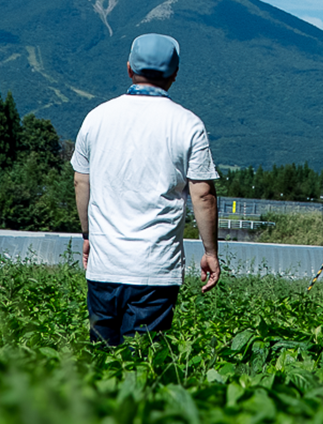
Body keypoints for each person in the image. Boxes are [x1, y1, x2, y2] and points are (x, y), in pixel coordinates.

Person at [70, 32, 221, 346]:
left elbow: (81, 181)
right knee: (142, 367)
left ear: (128, 68)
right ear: (174, 75)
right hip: (155, 268)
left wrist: (88, 236)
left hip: (105, 265)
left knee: (101, 361)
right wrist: (210, 252)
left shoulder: (96, 118)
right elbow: (202, 194)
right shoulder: (188, 124)